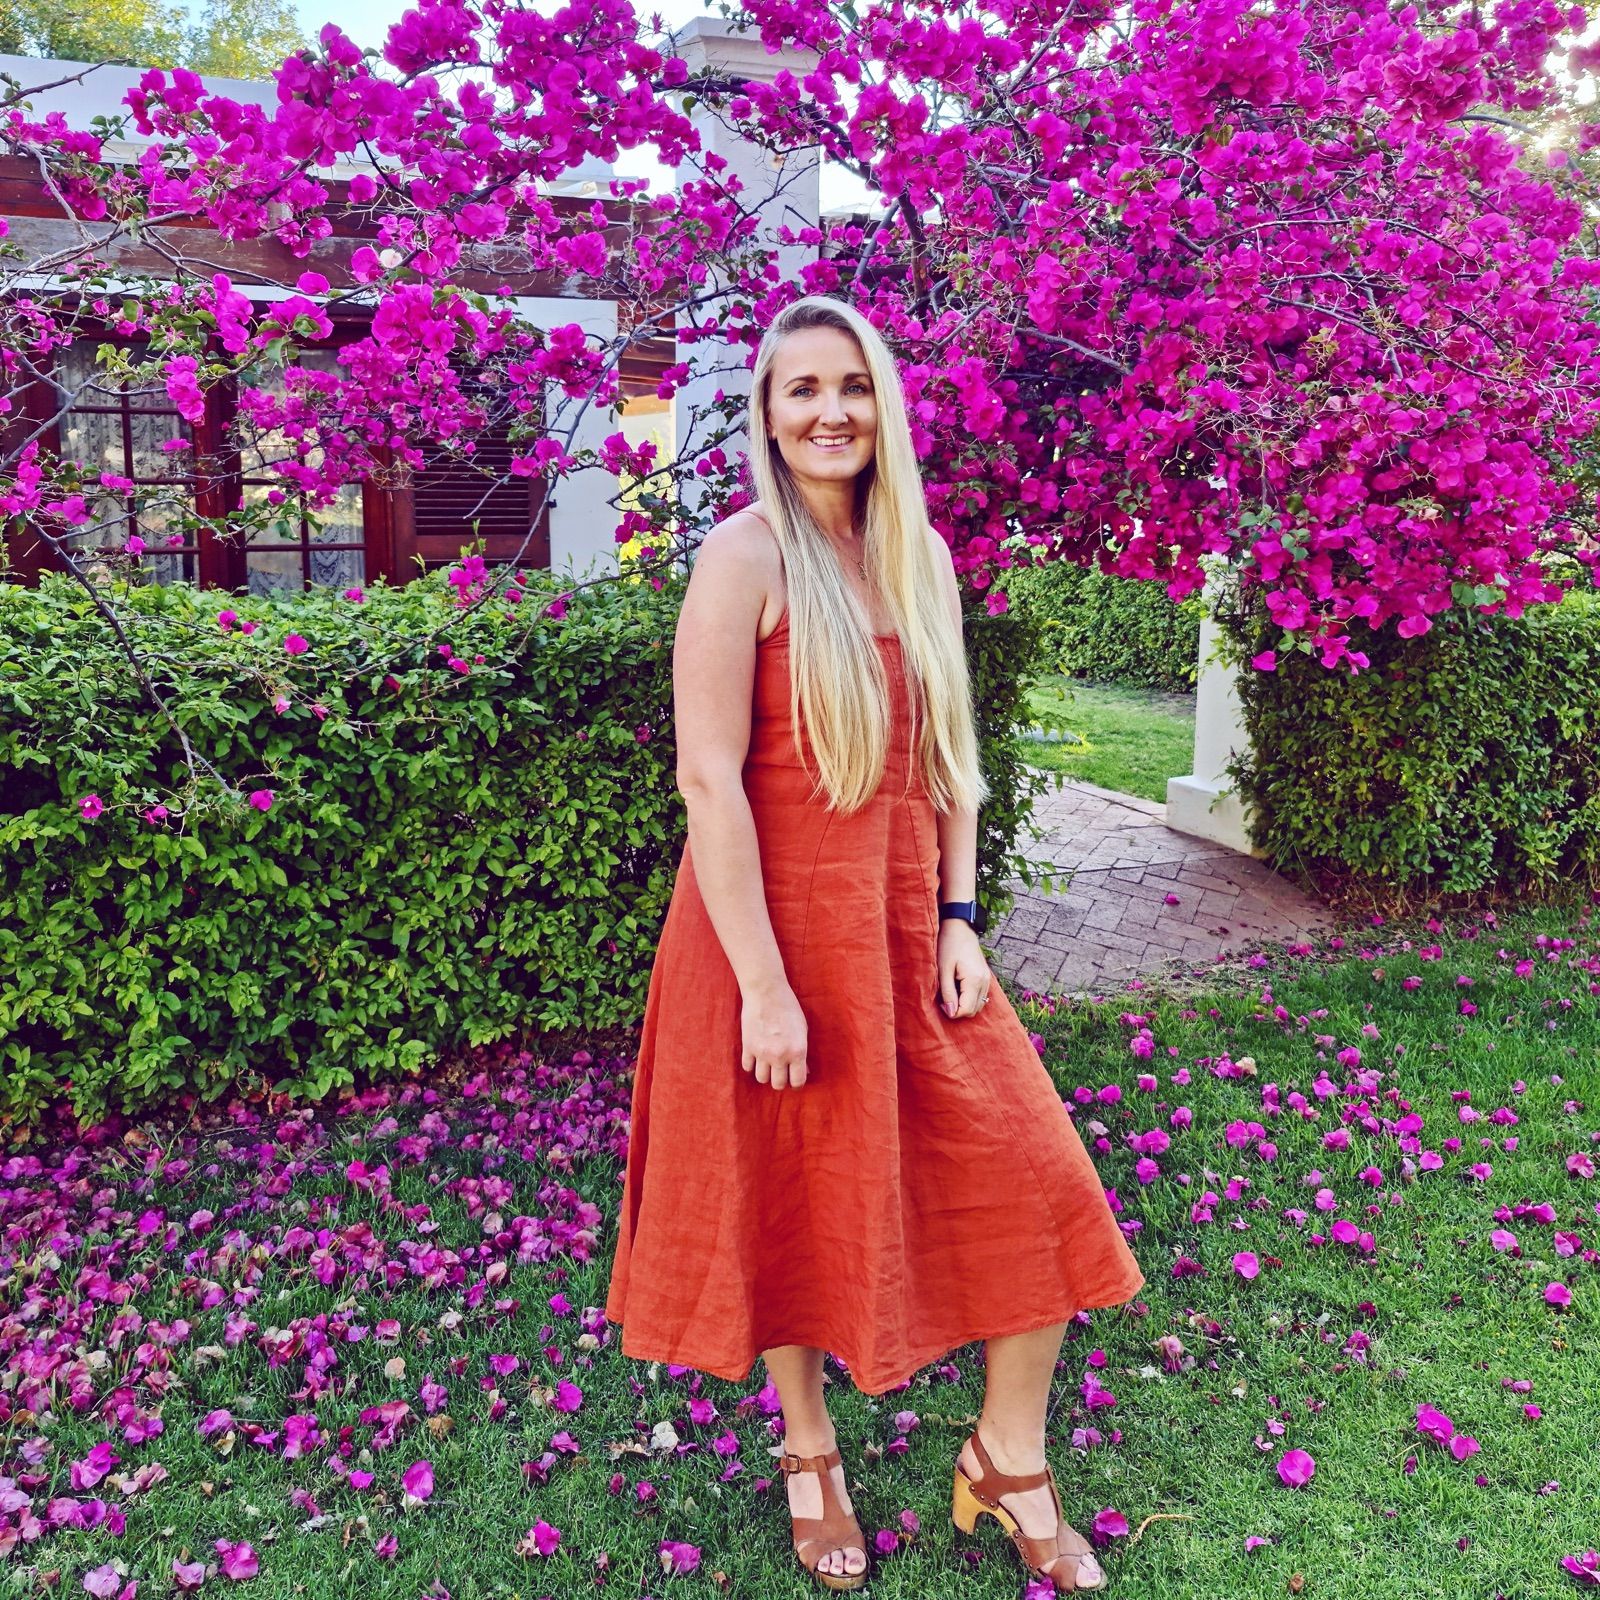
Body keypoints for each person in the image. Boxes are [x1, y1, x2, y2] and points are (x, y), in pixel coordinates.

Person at [602, 295, 1145, 1593]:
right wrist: (765, 989)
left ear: (882, 405)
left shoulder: (918, 557)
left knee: (1040, 1178)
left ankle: (1009, 1456)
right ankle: (810, 1452)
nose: (830, 411)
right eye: (802, 389)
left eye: (851, 386)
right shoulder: (742, 560)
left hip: (905, 933)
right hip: (768, 941)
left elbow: (953, 756)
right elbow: (709, 783)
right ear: (766, 412)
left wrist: (960, 918)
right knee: (786, 1199)